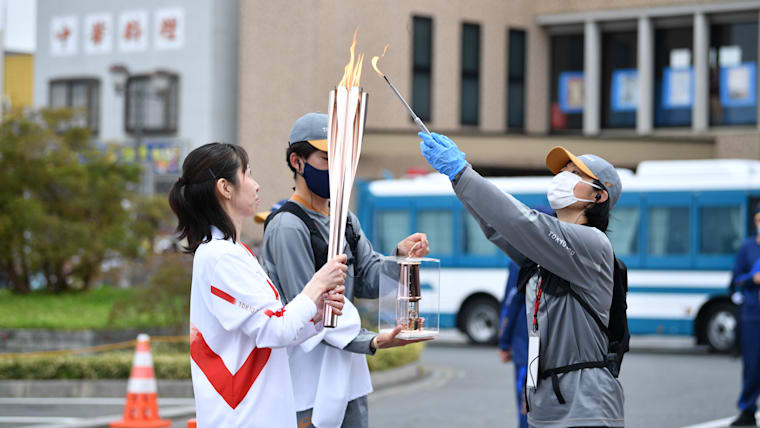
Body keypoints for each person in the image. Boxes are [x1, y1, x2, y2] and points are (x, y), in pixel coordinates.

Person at [419, 132, 624, 427]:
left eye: (574, 172)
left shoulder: (591, 244)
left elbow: (521, 221)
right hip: (547, 404)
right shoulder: (544, 255)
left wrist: (462, 172)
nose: (563, 177)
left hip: (587, 404)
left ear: (598, 196)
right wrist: (532, 387)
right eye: (562, 171)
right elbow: (498, 227)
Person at [261, 112, 431, 428]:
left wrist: (400, 258)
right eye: (326, 158)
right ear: (297, 162)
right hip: (304, 378)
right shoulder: (288, 226)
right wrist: (371, 341)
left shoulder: (345, 218)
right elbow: (307, 311)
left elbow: (368, 278)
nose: (337, 168)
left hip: (344, 371)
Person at [168, 142, 348, 427]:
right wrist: (316, 285)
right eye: (248, 174)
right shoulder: (220, 256)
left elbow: (275, 334)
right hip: (243, 415)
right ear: (225, 187)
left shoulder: (235, 252)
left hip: (259, 412)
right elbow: (276, 330)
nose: (256, 185)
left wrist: (315, 313)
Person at [498, 207, 552, 428]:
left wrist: (503, 341)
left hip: (528, 345)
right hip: (556, 347)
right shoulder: (564, 257)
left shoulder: (521, 261)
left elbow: (512, 302)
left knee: (528, 403)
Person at [730, 205, 760, 426]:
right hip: (753, 314)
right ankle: (747, 409)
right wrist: (753, 279)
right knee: (752, 364)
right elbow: (736, 279)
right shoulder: (747, 248)